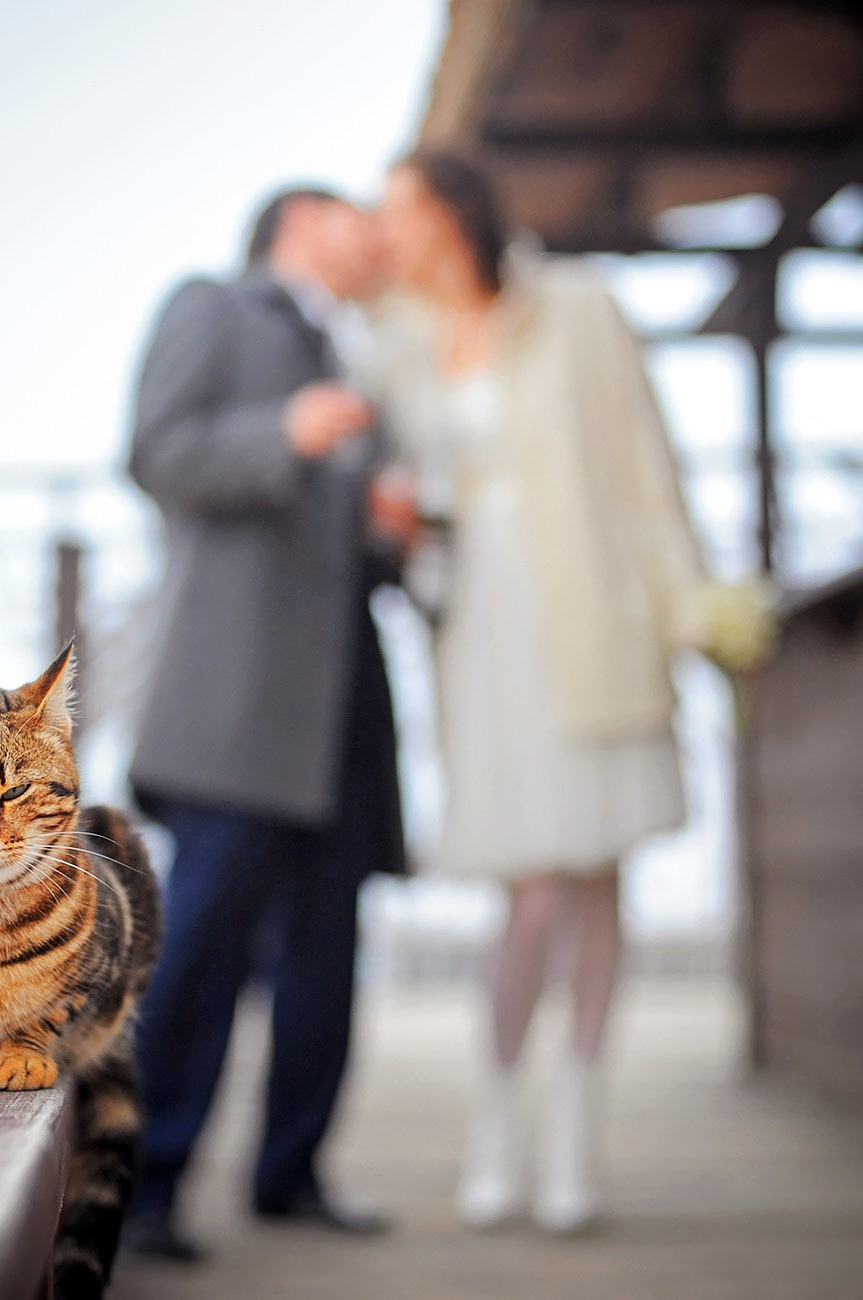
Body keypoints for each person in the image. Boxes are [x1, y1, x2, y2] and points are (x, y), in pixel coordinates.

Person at [369, 147, 712, 1234]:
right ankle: (498, 1115)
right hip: (479, 629)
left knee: (597, 871)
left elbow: (647, 471)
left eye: (402, 213)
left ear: (450, 214)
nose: (390, 235)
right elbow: (398, 496)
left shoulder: (578, 309)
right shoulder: (393, 344)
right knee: (528, 887)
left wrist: (687, 608)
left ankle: (576, 1134)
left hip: (591, 610)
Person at [123, 186, 406, 1260]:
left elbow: (343, 538)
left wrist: (386, 524)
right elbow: (159, 454)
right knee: (200, 940)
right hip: (235, 702)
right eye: (356, 214)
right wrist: (280, 431)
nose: (376, 232)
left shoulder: (355, 349)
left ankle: (292, 1172)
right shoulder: (212, 305)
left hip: (342, 703)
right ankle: (145, 1185)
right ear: (300, 219)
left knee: (330, 948)